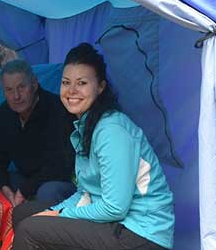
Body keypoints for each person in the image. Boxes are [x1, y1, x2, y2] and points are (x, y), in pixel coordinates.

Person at [11, 43, 174, 250]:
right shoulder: (87, 125)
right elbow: (86, 193)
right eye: (66, 82)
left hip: (141, 232)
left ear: (101, 87)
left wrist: (61, 214)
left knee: (30, 230)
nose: (71, 91)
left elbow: (115, 208)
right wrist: (55, 212)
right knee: (24, 214)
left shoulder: (112, 130)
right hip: (117, 222)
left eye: (82, 83)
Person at [0, 60, 76, 207]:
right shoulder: (5, 112)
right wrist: (6, 189)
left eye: (21, 87)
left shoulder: (57, 109)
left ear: (34, 84)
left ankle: (43, 227)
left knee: (47, 191)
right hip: (25, 180)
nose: (16, 96)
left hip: (58, 182)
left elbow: (60, 166)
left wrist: (24, 191)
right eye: (9, 90)